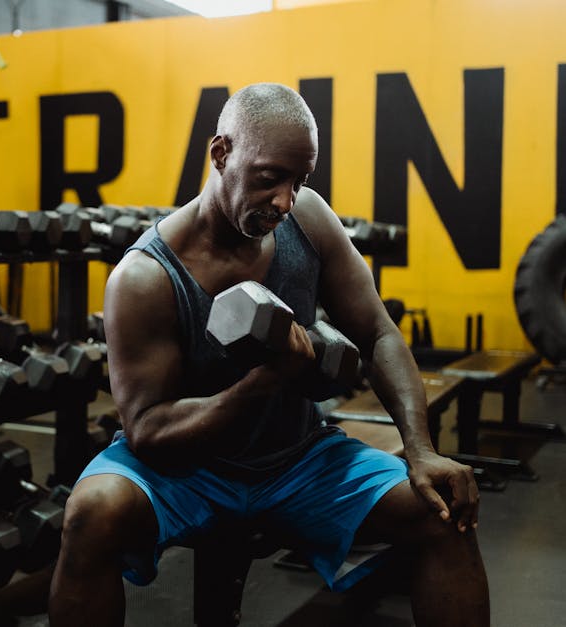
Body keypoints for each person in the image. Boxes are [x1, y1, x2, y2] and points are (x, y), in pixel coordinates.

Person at [48, 83, 489, 626]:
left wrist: (419, 449)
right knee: (92, 513)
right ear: (220, 154)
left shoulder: (309, 220)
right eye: (268, 178)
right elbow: (148, 430)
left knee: (442, 512)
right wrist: (268, 380)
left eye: (299, 180)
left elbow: (377, 333)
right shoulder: (144, 278)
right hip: (187, 471)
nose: (284, 200)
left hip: (298, 458)